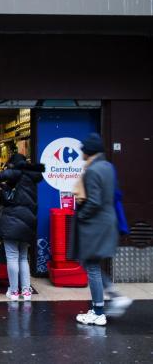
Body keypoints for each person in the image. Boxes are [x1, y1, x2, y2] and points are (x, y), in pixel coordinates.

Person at [71, 133, 132, 326]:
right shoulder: (108, 167)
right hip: (106, 222)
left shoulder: (93, 171)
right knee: (90, 264)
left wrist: (81, 215)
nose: (81, 153)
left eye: (83, 150)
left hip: (95, 226)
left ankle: (98, 311)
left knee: (92, 267)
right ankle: (113, 295)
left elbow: (94, 201)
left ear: (88, 151)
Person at [0, 153, 44, 301]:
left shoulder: (17, 172)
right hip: (28, 222)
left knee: (12, 257)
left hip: (12, 221)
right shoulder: (32, 178)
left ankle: (14, 291)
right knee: (23, 258)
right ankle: (26, 291)